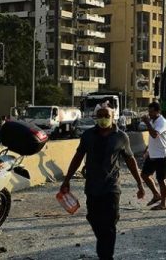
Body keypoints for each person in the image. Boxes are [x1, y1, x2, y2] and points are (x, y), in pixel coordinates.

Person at [60, 103, 146, 260]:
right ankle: (104, 249)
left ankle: (106, 256)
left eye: (107, 116)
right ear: (95, 118)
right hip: (92, 187)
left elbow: (131, 160)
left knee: (110, 223)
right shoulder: (88, 136)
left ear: (113, 117)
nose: (103, 119)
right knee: (93, 218)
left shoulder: (121, 137)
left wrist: (140, 184)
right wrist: (66, 180)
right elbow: (77, 158)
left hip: (111, 187)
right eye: (100, 116)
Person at [140, 102, 166, 210]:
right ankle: (156, 195)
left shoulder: (162, 122)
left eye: (152, 112)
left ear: (158, 111)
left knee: (161, 179)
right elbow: (152, 139)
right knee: (144, 175)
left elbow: (154, 134)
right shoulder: (153, 121)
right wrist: (146, 150)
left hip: (161, 155)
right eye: (149, 112)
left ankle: (164, 203)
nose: (150, 114)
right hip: (152, 154)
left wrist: (147, 122)